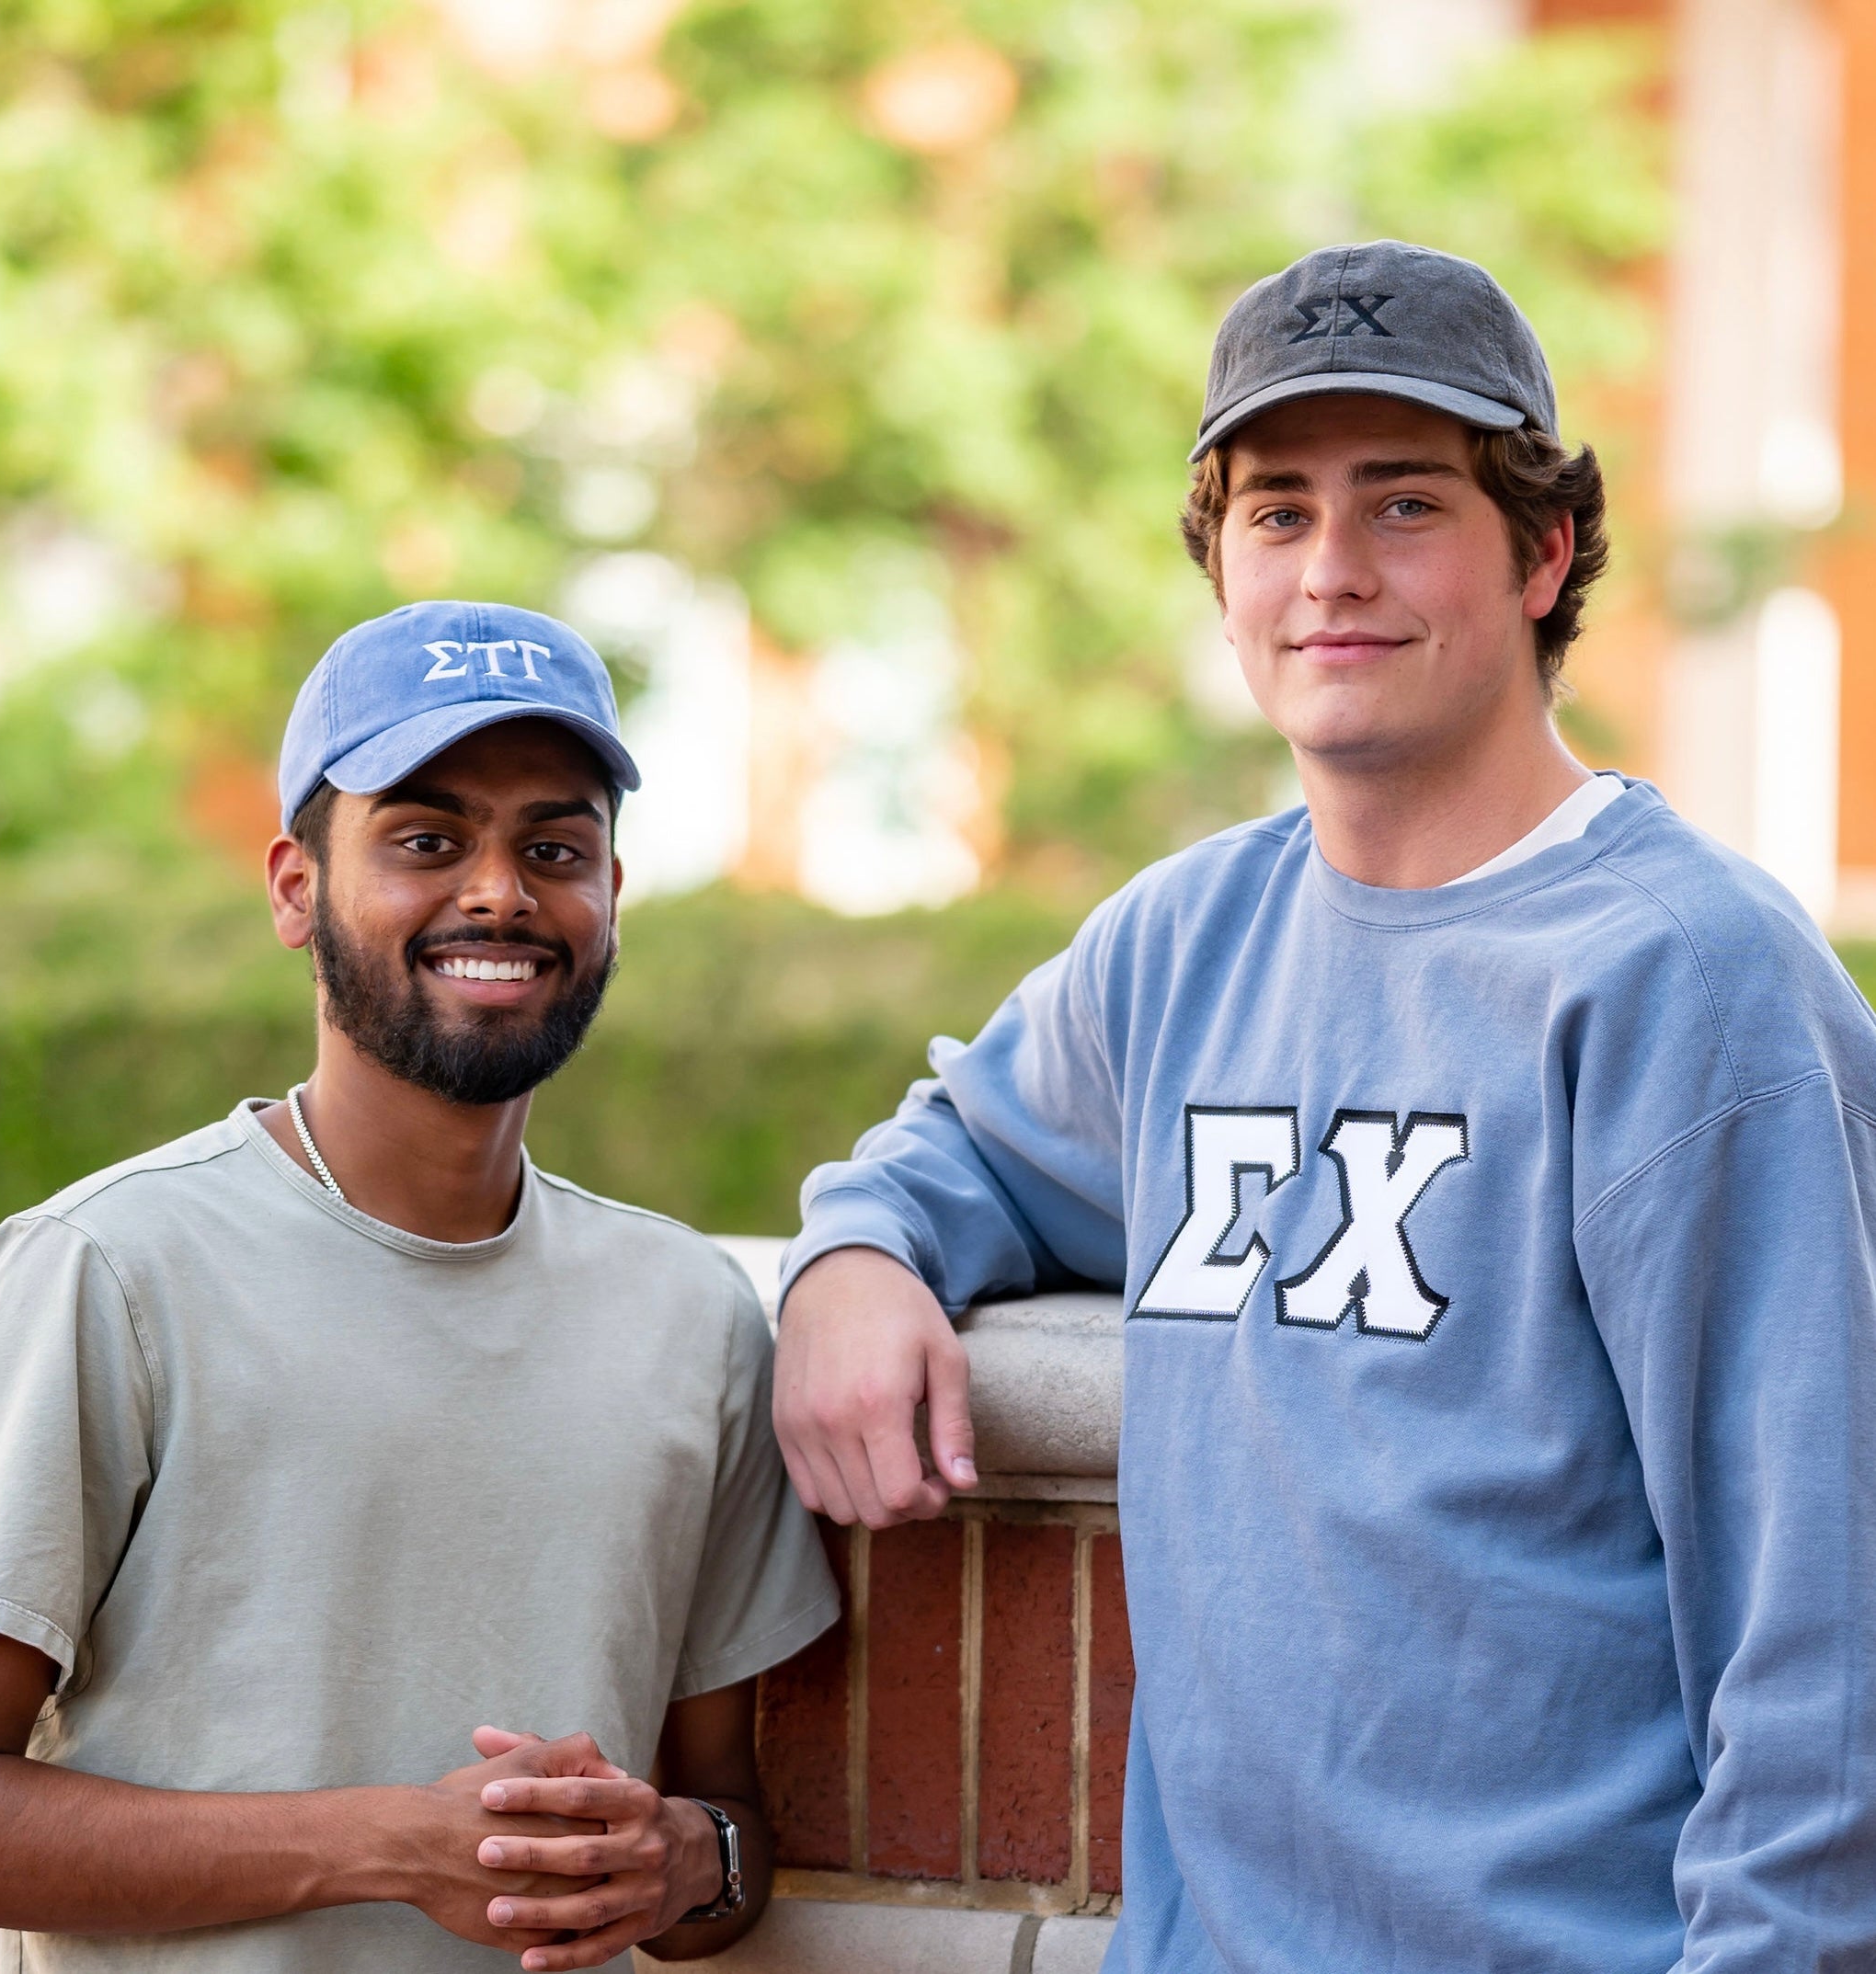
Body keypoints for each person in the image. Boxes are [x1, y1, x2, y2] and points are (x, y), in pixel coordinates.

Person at [772, 242, 1876, 1970]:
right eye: (1276, 513)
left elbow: (1827, 1632)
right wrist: (852, 1259)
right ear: (1219, 569)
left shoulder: (1691, 984)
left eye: (1407, 505)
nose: (1332, 572)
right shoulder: (1182, 943)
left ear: (1544, 552)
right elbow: (962, 1152)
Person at [0, 600, 838, 1974]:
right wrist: (389, 1846)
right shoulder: (108, 1273)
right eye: (426, 838)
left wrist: (687, 1860)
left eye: (556, 846)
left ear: (612, 901)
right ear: (294, 887)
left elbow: (728, 1845)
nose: (499, 891)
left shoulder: (690, 1314)